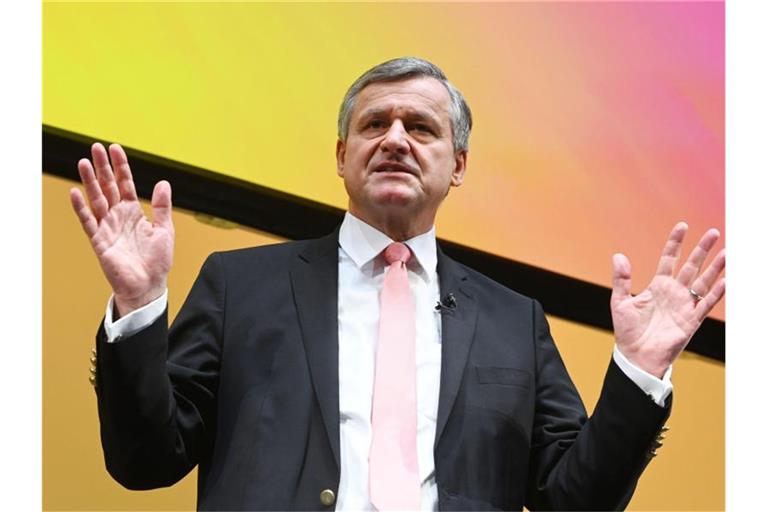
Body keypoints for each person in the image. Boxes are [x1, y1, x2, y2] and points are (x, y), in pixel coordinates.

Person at [70, 57, 725, 511]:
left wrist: (640, 373)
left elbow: (574, 498)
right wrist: (138, 306)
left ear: (457, 164)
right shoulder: (240, 286)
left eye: (420, 128)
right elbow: (145, 461)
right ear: (341, 156)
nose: (395, 140)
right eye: (374, 124)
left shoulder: (515, 321)